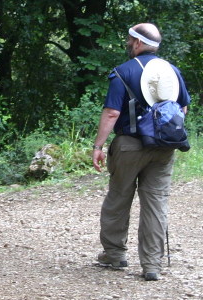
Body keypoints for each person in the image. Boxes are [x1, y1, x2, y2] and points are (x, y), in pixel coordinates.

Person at [92, 23, 191, 281]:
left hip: (129, 145)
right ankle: (152, 265)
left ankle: (114, 256)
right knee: (156, 203)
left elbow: (112, 112)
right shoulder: (172, 71)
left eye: (128, 40)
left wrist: (98, 146)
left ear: (136, 43)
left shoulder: (123, 72)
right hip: (163, 148)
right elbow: (182, 110)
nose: (128, 44)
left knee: (119, 198)